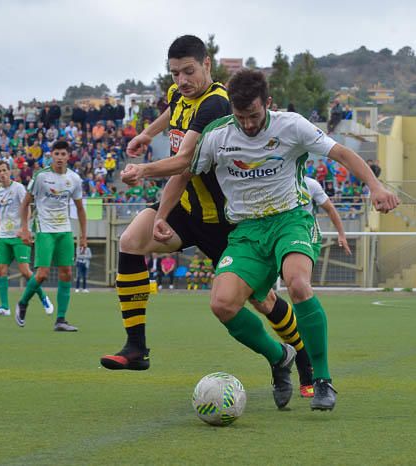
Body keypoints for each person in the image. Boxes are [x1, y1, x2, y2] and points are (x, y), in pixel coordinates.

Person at [127, 69, 399, 410]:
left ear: (267, 104)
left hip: (290, 220)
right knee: (222, 305)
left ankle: (323, 380)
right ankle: (278, 356)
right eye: (240, 117)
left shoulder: (291, 125)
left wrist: (375, 186)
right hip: (247, 230)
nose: (249, 125)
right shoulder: (218, 135)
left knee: (298, 284)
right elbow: (184, 172)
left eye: (254, 116)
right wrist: (162, 215)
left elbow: (342, 153)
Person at [102, 35, 314, 405]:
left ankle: (301, 358)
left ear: (207, 65)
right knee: (130, 242)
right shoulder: (179, 93)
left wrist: (143, 169)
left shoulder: (217, 103)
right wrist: (148, 133)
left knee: (263, 302)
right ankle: (137, 347)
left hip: (226, 222)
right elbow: (173, 111)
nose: (182, 80)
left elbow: (184, 161)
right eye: (175, 73)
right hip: (186, 208)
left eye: (189, 71)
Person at [16, 140, 87, 331]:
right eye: (56, 154)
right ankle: (23, 303)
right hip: (44, 229)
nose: (60, 158)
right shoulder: (40, 176)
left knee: (67, 273)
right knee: (42, 274)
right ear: (51, 155)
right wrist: (24, 228)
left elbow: (80, 209)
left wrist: (83, 236)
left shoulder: (74, 179)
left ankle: (61, 320)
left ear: (68, 156)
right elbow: (25, 204)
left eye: (63, 154)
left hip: (64, 230)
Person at [0, 161, 54, 317]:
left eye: (4, 170)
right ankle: (4, 307)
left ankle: (44, 298)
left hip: (18, 236)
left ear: (9, 171)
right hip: (4, 237)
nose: (2, 173)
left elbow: (27, 208)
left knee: (25, 270)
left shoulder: (18, 188)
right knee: (0, 270)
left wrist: (25, 230)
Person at [303, 176, 351, 258]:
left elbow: (330, 209)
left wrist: (341, 234)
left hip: (309, 234)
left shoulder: (311, 184)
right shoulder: (277, 184)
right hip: (283, 231)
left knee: (301, 266)